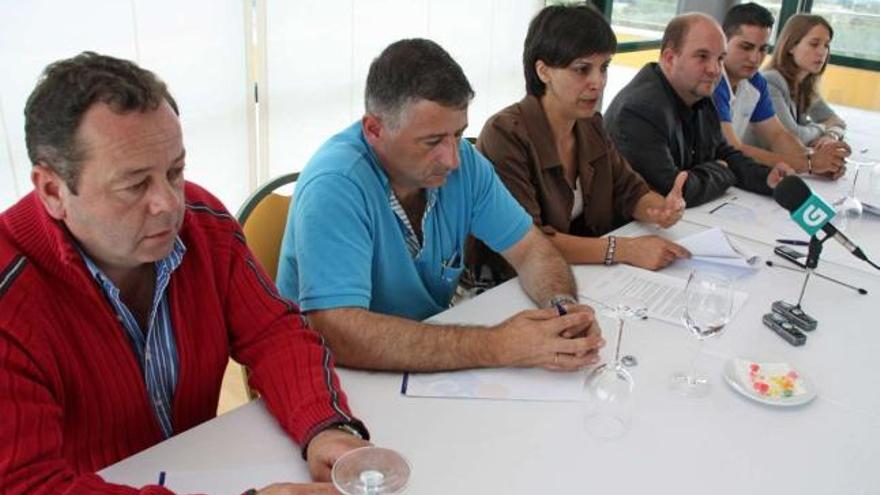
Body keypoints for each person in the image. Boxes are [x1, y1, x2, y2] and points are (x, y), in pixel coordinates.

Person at [0, 52, 370, 495]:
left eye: (175, 171)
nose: (169, 203)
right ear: (53, 190)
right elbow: (28, 486)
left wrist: (325, 425)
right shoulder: (11, 296)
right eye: (135, 184)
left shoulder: (203, 221)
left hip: (196, 467)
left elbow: (275, 335)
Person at [276, 39, 604, 373]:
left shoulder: (465, 163)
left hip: (421, 359)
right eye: (432, 141)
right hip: (331, 373)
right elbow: (337, 331)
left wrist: (562, 310)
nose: (451, 159)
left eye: (458, 134)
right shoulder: (336, 185)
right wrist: (499, 345)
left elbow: (531, 249)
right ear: (374, 130)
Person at [468, 4, 691, 289]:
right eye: (582, 69)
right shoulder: (505, 133)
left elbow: (629, 190)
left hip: (585, 278)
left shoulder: (590, 125)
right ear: (543, 71)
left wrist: (658, 209)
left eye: (604, 68)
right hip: (509, 288)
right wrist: (626, 249)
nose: (597, 82)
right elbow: (529, 242)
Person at [604, 13, 792, 208]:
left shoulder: (698, 94)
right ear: (669, 59)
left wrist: (766, 177)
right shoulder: (639, 110)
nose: (714, 69)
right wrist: (722, 170)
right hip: (627, 230)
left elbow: (723, 151)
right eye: (702, 57)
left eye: (720, 59)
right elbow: (675, 190)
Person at [715, 3, 846, 178]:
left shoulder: (755, 82)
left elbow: (778, 136)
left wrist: (818, 161)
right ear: (723, 42)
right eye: (746, 47)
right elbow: (731, 148)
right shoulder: (713, 80)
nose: (755, 58)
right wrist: (809, 163)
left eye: (763, 49)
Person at [761, 14, 850, 159]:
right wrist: (821, 128)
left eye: (826, 45)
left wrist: (831, 136)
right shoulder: (771, 81)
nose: (822, 52)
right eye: (814, 44)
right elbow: (792, 136)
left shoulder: (804, 84)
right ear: (791, 46)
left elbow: (836, 121)